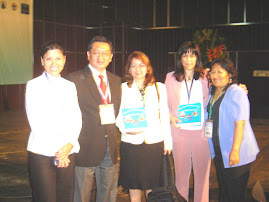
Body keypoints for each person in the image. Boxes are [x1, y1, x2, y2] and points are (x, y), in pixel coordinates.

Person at [66, 36, 122, 202]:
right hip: (85, 148)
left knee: (108, 195)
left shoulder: (116, 80)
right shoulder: (74, 79)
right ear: (88, 55)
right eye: (96, 52)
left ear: (111, 56)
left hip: (109, 148)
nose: (101, 57)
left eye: (105, 53)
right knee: (81, 195)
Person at [25, 41, 82, 202]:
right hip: (42, 152)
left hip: (67, 151)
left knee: (65, 197)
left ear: (64, 59)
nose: (54, 63)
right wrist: (59, 152)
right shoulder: (33, 86)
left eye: (58, 58)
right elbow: (36, 123)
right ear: (42, 61)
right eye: (49, 59)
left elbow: (76, 117)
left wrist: (69, 144)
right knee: (45, 198)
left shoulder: (70, 86)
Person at [115, 51, 172, 202]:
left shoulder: (159, 88)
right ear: (128, 69)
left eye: (141, 65)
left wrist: (167, 141)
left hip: (154, 142)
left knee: (151, 184)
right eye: (133, 66)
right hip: (131, 142)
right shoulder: (122, 88)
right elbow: (118, 116)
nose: (137, 69)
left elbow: (164, 115)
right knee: (133, 184)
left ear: (148, 68)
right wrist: (128, 129)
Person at [206, 58, 259, 202]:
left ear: (229, 74)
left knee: (235, 194)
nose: (215, 75)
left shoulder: (236, 92)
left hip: (235, 152)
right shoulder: (213, 92)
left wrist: (235, 151)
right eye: (212, 72)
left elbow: (240, 124)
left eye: (219, 71)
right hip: (219, 151)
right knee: (224, 191)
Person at [165, 41, 211, 202]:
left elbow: (223, 87)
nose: (188, 59)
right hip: (179, 132)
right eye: (185, 54)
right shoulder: (170, 78)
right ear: (180, 57)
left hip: (202, 133)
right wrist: (171, 117)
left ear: (197, 57)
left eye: (192, 55)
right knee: (181, 175)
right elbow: (165, 105)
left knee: (202, 176)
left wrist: (239, 87)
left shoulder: (207, 76)